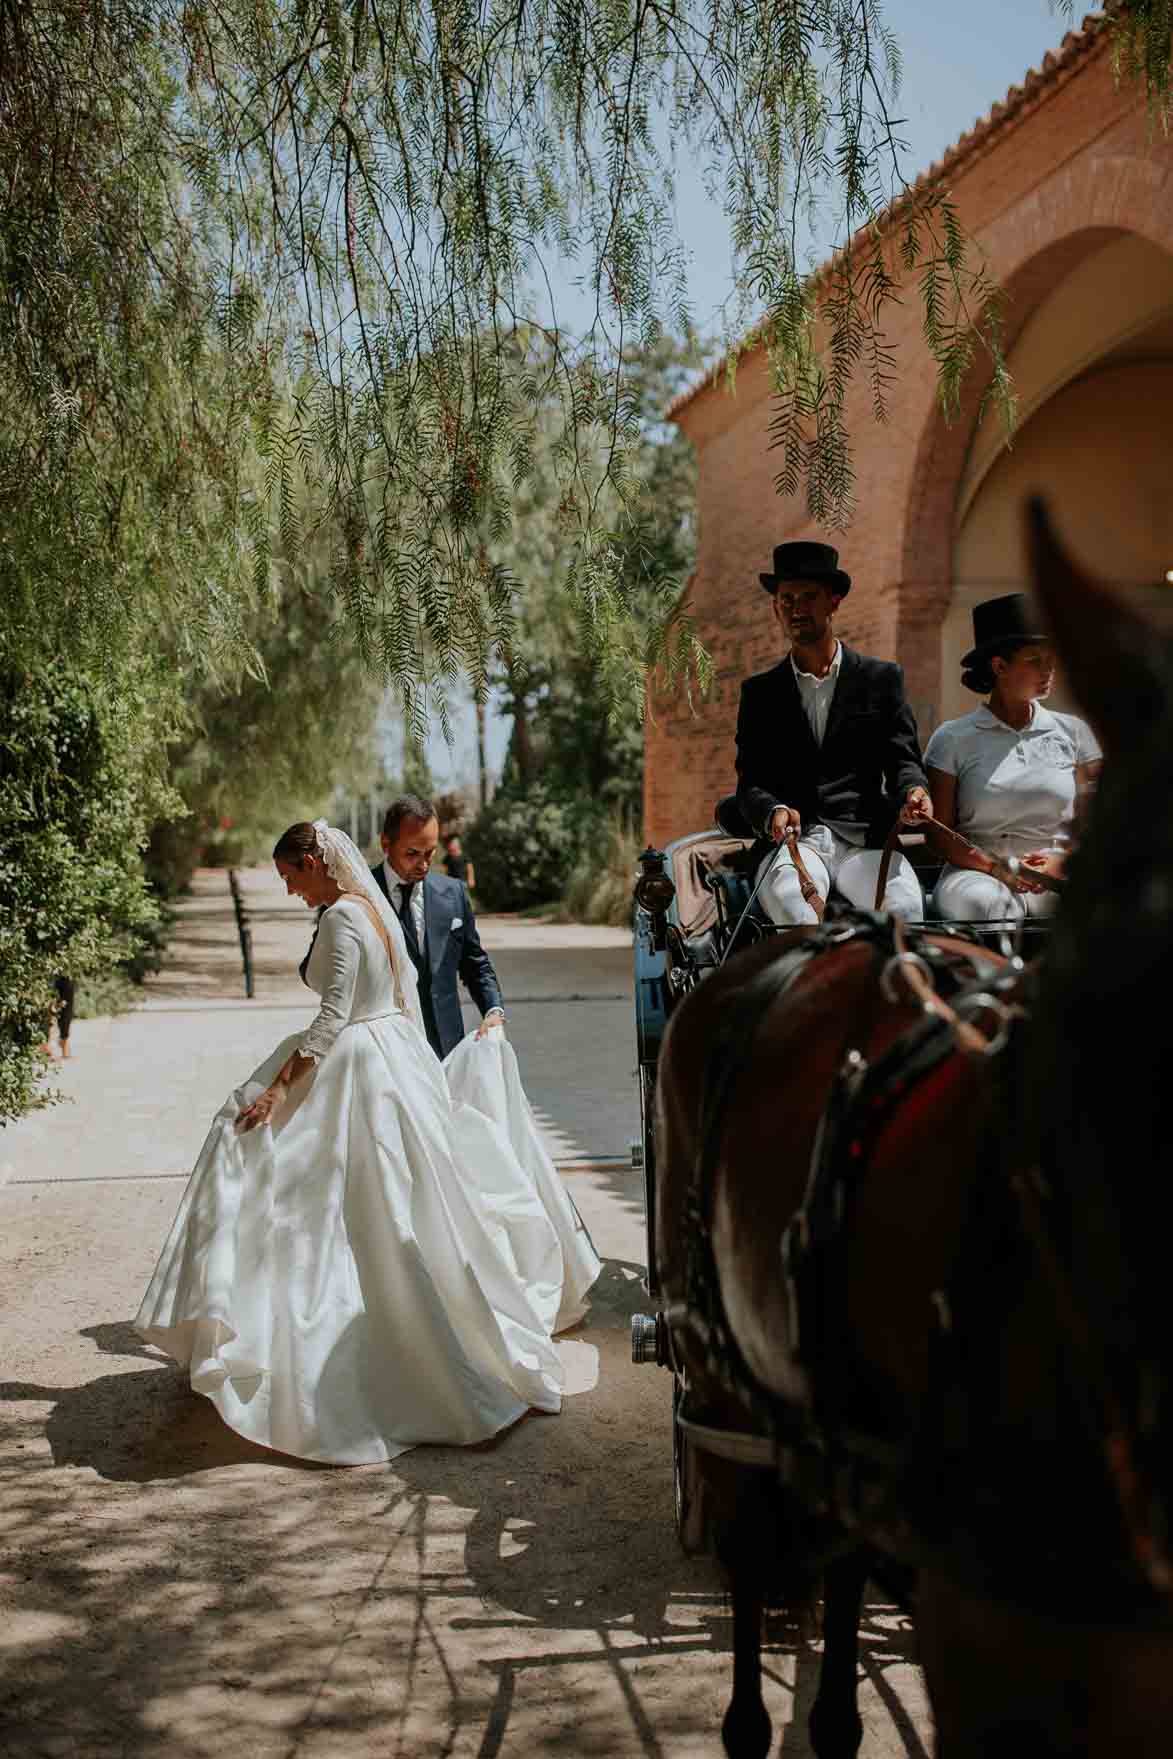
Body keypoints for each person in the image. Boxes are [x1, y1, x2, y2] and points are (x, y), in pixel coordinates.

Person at [134, 820, 601, 1465]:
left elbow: (332, 1015)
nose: (292, 892)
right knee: (382, 1202)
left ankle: (336, 1353)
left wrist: (279, 1089)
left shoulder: (342, 919)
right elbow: (399, 997)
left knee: (321, 1193)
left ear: (312, 861)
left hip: (356, 1063)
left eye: (291, 877)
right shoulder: (370, 913)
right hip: (391, 1053)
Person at [734, 541, 931, 925]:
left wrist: (915, 791)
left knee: (905, 910)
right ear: (776, 606)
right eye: (786, 599)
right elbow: (751, 781)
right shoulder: (759, 694)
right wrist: (772, 809)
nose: (795, 608)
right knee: (797, 913)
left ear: (834, 601)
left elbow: (904, 760)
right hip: (795, 845)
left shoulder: (882, 680)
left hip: (865, 843)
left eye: (808, 597)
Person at [924, 593, 1102, 921]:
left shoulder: (1074, 732)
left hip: (1055, 870)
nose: (1048, 669)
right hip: (975, 874)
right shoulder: (951, 739)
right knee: (989, 907)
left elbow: (1098, 818)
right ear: (999, 666)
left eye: (1051, 658)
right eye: (1035, 660)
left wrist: (1061, 862)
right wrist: (996, 867)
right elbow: (938, 833)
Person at [372, 796, 501, 1058]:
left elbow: (475, 963)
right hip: (384, 1053)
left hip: (446, 1050)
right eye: (412, 853)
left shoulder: (454, 893)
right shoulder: (359, 892)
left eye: (430, 852)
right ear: (386, 843)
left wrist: (493, 1011)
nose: (423, 864)